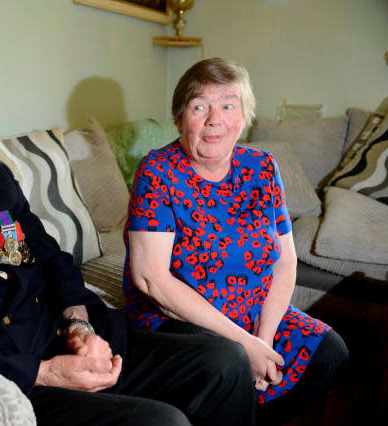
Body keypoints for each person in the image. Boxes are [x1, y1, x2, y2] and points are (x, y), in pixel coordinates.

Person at [0, 52, 258, 426]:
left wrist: (78, 325)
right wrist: (43, 372)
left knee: (224, 360)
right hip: (7, 374)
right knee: (163, 421)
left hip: (60, 336)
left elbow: (51, 259)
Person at [124, 57, 349, 425]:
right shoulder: (158, 171)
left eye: (228, 105)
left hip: (251, 309)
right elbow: (151, 278)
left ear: (244, 118)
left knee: (329, 351)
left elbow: (284, 259)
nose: (214, 120)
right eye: (199, 107)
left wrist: (264, 339)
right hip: (180, 316)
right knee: (229, 362)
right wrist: (245, 346)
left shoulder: (262, 166)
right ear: (180, 120)